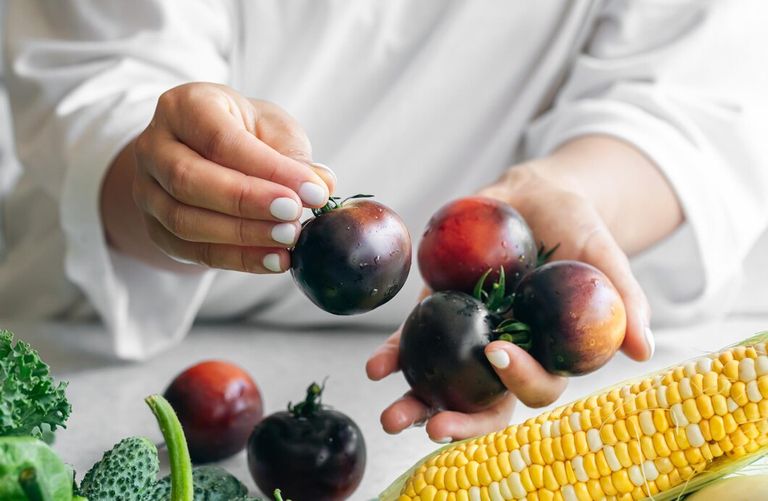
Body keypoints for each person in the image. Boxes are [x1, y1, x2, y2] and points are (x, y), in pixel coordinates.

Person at [3, 1, 767, 443]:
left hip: (486, 304)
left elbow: (688, 102)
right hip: (131, 323)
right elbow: (93, 84)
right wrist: (159, 175)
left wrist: (558, 191)